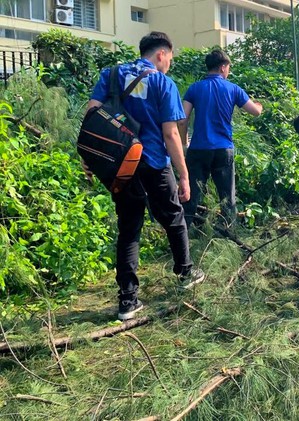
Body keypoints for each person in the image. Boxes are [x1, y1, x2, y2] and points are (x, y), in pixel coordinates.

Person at [84, 32, 205, 321]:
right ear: (161, 54)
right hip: (152, 161)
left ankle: (127, 301)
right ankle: (185, 272)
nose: (170, 65)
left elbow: (91, 114)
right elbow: (171, 133)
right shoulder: (162, 83)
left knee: (129, 227)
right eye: (170, 59)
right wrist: (184, 175)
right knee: (174, 217)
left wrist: (89, 157)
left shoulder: (111, 75)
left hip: (119, 165)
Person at [179, 49, 262, 228]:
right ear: (223, 67)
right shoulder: (233, 89)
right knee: (227, 199)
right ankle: (228, 238)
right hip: (223, 150)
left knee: (190, 197)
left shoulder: (195, 88)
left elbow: (182, 120)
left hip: (198, 149)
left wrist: (184, 143)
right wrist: (259, 105)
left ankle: (182, 237)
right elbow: (255, 112)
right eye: (228, 67)